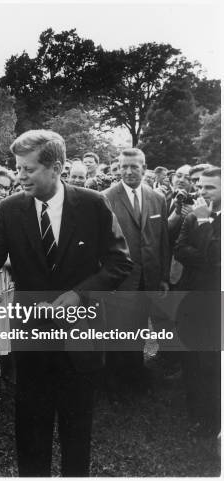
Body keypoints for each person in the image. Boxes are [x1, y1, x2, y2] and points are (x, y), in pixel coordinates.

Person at [0, 130, 132, 476]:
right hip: (33, 339)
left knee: (76, 431)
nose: (19, 177)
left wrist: (78, 294)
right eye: (17, 168)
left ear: (57, 168)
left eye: (28, 169)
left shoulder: (93, 204)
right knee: (31, 430)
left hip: (81, 338)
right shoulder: (10, 210)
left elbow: (120, 262)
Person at [102, 148, 170, 398]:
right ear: (117, 168)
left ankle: (135, 377)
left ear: (144, 167)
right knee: (117, 333)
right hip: (119, 281)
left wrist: (162, 276)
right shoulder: (106, 197)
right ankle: (114, 384)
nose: (129, 171)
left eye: (134, 166)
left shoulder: (157, 198)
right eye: (124, 166)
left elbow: (161, 239)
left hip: (148, 279)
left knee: (138, 330)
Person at [174, 167, 221, 439]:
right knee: (192, 355)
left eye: (210, 188)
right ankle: (196, 414)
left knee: (211, 359)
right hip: (192, 293)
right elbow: (180, 250)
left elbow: (216, 257)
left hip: (215, 297)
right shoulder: (194, 216)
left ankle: (213, 417)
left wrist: (204, 227)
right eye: (201, 187)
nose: (202, 193)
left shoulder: (201, 218)